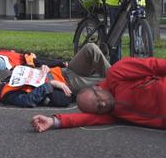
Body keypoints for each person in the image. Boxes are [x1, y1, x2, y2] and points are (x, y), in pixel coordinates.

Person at [31, 56, 166, 132]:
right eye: (99, 108)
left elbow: (155, 65)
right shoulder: (113, 113)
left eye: (98, 99)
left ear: (98, 88)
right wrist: (52, 121)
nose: (103, 103)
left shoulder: (117, 73)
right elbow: (85, 119)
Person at [0, 43, 110, 108]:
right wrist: (50, 84)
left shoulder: (6, 81)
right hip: (68, 83)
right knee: (105, 80)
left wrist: (43, 68)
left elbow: (31, 74)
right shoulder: (8, 96)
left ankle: (118, 76)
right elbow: (28, 100)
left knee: (90, 48)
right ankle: (121, 80)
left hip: (63, 71)